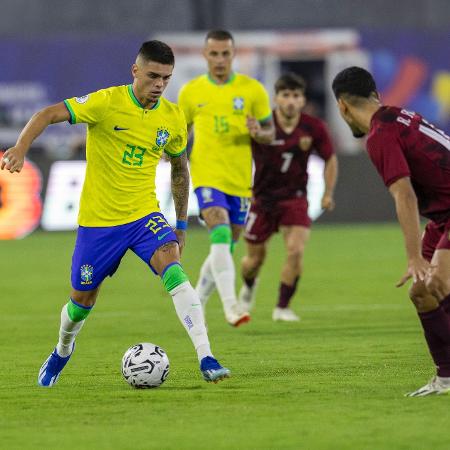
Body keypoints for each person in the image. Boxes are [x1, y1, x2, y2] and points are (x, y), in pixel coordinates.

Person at [1, 40, 230, 386]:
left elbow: (179, 170)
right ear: (135, 71)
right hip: (99, 223)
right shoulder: (105, 103)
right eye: (153, 76)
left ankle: (206, 356)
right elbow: (47, 114)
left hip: (143, 216)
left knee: (174, 267)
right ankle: (63, 349)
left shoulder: (172, 116)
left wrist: (180, 225)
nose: (159, 85)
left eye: (166, 79)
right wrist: (20, 147)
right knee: (81, 301)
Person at [332, 66, 450, 397]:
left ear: (342, 106)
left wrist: (414, 257)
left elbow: (405, 195)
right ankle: (446, 378)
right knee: (421, 293)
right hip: (443, 216)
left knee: (435, 282)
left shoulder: (380, 135)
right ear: (376, 95)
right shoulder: (397, 115)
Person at [178, 30, 275, 326]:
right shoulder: (191, 92)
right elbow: (181, 133)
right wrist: (170, 154)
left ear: (233, 55)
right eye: (214, 54)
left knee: (226, 245)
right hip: (207, 174)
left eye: (225, 54)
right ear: (205, 55)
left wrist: (259, 133)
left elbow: (270, 133)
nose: (220, 59)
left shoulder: (252, 90)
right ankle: (231, 307)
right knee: (219, 231)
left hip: (240, 179)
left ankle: (196, 302)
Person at [239, 73, 338, 321]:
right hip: (262, 199)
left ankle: (282, 307)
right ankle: (249, 285)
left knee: (295, 251)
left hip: (295, 198)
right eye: (285, 95)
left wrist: (327, 193)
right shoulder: (263, 123)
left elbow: (330, 159)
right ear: (276, 99)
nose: (291, 101)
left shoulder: (313, 127)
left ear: (303, 100)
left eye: (296, 96)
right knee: (253, 260)